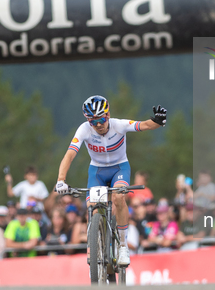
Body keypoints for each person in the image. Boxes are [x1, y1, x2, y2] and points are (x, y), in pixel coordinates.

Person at [55, 95, 167, 266]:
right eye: (93, 121)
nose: (98, 125)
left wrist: (157, 121)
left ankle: (122, 245)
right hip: (97, 171)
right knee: (92, 207)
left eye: (101, 119)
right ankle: (95, 244)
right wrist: (61, 180)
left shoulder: (118, 125)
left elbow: (143, 125)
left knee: (118, 197)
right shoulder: (84, 129)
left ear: (107, 115)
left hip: (119, 168)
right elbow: (70, 154)